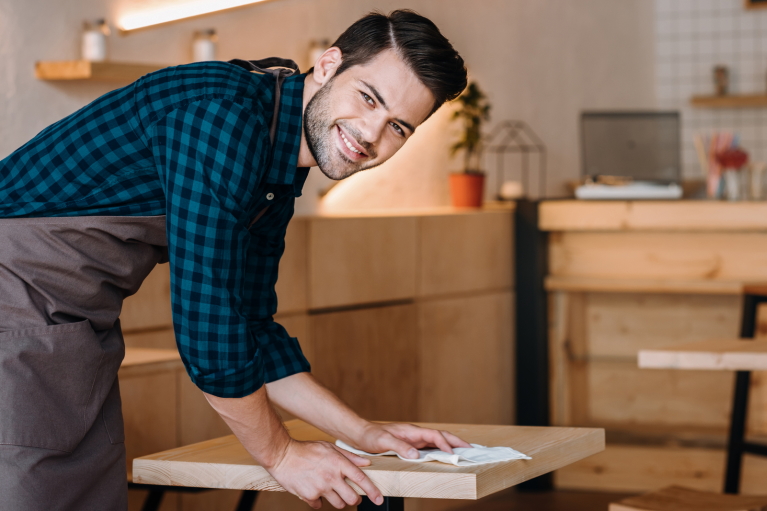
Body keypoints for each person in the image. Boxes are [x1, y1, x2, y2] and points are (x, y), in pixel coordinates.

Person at [0, 10, 469, 510]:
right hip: (17, 295)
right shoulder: (225, 117)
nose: (373, 134)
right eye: (368, 97)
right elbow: (210, 329)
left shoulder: (277, 161)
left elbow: (251, 326)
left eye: (398, 126)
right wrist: (281, 454)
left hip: (66, 321)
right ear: (329, 65)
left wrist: (364, 432)